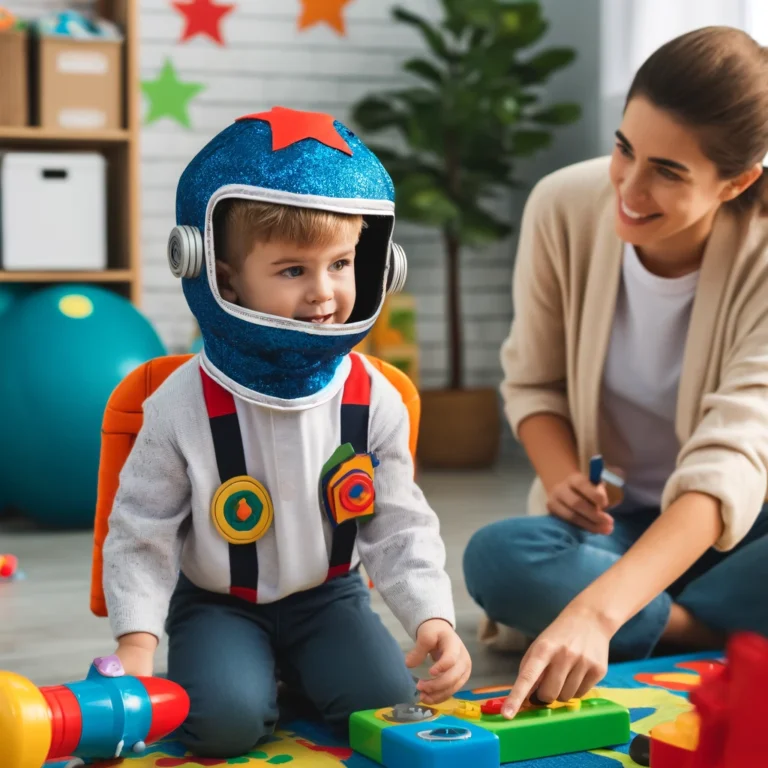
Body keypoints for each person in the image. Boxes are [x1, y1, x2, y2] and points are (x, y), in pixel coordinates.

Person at [99, 106, 470, 757]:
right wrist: (137, 641)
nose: (325, 292)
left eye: (341, 264)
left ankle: (288, 671)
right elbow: (144, 527)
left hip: (330, 595)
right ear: (224, 275)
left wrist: (432, 615)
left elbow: (399, 522)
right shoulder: (182, 402)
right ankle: (252, 676)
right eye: (293, 270)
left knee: (387, 709)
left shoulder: (370, 394)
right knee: (224, 728)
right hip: (219, 601)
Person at [462, 26, 768, 719]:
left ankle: (655, 622)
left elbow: (732, 459)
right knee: (497, 558)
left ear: (739, 181)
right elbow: (533, 381)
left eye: (668, 170)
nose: (629, 186)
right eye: (625, 148)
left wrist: (597, 614)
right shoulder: (561, 207)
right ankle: (707, 628)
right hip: (614, 527)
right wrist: (563, 473)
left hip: (743, 529)